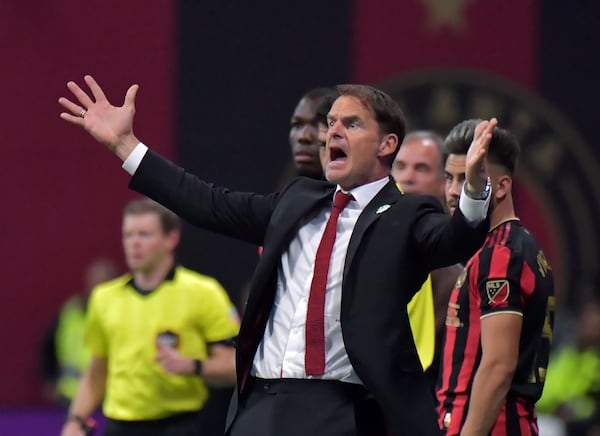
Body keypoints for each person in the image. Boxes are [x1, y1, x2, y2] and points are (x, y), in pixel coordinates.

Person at [59, 75, 494, 436]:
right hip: (261, 407)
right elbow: (206, 202)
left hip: (344, 411)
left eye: (352, 124)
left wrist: (474, 189)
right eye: (332, 123)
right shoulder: (297, 200)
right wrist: (125, 146)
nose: (332, 132)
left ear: (386, 145)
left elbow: (457, 240)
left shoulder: (406, 213)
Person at [60, 198, 239, 436]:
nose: (134, 243)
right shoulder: (104, 297)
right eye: (128, 235)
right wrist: (76, 420)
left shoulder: (203, 292)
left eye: (144, 235)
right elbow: (97, 370)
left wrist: (194, 365)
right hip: (120, 426)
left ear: (171, 239)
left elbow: (235, 366)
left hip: (181, 424)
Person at [436, 119, 555, 435]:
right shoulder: (521, 248)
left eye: (467, 178)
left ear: (501, 186)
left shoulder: (500, 255)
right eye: (449, 178)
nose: (451, 191)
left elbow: (498, 367)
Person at [391, 131, 463, 386]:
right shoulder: (363, 248)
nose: (406, 178)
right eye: (399, 167)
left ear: (446, 182)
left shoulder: (457, 272)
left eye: (421, 168)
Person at [39, 258, 119, 407]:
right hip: (71, 397)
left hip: (110, 398)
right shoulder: (70, 311)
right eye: (95, 282)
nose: (98, 288)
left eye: (104, 283)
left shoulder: (123, 315)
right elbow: (47, 347)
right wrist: (49, 380)